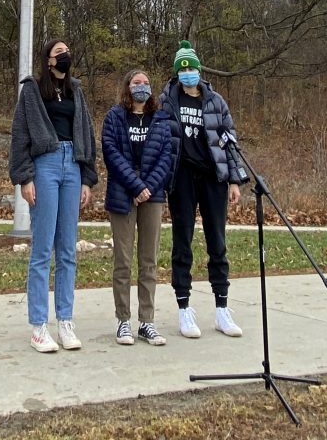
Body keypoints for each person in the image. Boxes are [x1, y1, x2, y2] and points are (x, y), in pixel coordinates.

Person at [9, 38, 98, 353]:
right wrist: (24, 177)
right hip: (44, 166)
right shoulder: (32, 90)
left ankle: (65, 321)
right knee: (42, 249)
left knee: (68, 250)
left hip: (72, 165)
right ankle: (38, 326)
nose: (65, 56)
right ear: (47, 60)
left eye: (67, 51)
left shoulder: (76, 90)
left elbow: (86, 132)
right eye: (58, 53)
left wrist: (87, 177)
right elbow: (20, 133)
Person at [160, 40, 248, 340]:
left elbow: (230, 140)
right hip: (181, 178)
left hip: (213, 178)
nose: (188, 73)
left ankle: (222, 309)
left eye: (191, 68)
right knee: (182, 242)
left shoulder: (215, 102)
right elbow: (159, 142)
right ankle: (184, 309)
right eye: (182, 69)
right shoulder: (167, 101)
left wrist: (234, 179)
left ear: (199, 70)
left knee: (217, 242)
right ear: (176, 73)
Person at [101, 69, 177, 346]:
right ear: (127, 87)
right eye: (136, 82)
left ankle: (147, 322)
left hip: (152, 197)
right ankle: (123, 321)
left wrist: (146, 189)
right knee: (122, 261)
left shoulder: (160, 119)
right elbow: (111, 153)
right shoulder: (114, 117)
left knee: (149, 262)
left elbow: (165, 158)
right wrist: (135, 186)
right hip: (123, 195)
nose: (141, 86)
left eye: (146, 83)